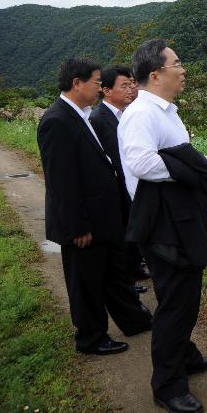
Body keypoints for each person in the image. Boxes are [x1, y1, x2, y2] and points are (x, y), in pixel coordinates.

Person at [118, 39, 207, 413]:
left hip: (179, 218)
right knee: (176, 304)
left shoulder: (165, 111)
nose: (183, 69)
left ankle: (185, 355)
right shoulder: (142, 114)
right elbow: (142, 164)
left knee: (183, 297)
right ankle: (167, 386)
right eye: (177, 63)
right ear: (155, 74)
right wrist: (195, 169)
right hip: (163, 225)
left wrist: (194, 164)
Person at [36, 58, 152, 356]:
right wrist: (77, 226)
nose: (100, 87)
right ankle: (90, 337)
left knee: (114, 275)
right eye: (96, 81)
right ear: (77, 82)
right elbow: (61, 182)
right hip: (84, 224)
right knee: (86, 283)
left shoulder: (80, 115)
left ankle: (134, 320)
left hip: (104, 217)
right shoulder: (57, 120)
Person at [89, 66, 148, 293]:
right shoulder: (99, 119)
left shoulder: (126, 115)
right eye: (124, 85)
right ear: (106, 90)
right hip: (114, 189)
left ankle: (132, 273)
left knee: (131, 234)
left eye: (131, 84)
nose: (130, 89)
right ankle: (126, 283)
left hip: (129, 186)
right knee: (122, 237)